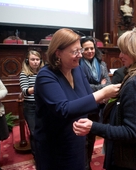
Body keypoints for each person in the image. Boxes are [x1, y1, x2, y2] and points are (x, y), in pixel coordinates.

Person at [73, 27, 136, 170]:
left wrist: (93, 127)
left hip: (129, 159)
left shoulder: (135, 83)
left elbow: (130, 132)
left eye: (124, 51)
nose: (120, 55)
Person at [34, 28, 120, 170]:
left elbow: (89, 101)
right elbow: (64, 109)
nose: (80, 55)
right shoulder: (46, 76)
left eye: (80, 50)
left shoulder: (77, 69)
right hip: (54, 144)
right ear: (58, 52)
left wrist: (111, 97)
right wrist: (104, 93)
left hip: (77, 139)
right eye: (75, 51)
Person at [79, 36, 111, 170]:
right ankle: (84, 166)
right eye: (86, 49)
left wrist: (98, 87)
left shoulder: (102, 64)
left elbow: (108, 83)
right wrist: (101, 87)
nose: (90, 51)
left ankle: (88, 162)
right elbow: (84, 86)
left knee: (92, 136)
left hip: (98, 107)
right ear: (81, 50)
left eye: (92, 48)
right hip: (84, 106)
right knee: (83, 140)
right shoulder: (77, 65)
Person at [19, 50, 44, 158]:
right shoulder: (24, 74)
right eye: (32, 59)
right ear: (27, 61)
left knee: (44, 131)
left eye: (37, 59)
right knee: (34, 133)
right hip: (30, 107)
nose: (35, 62)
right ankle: (36, 155)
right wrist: (39, 87)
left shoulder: (44, 72)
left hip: (43, 106)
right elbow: (24, 91)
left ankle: (44, 153)